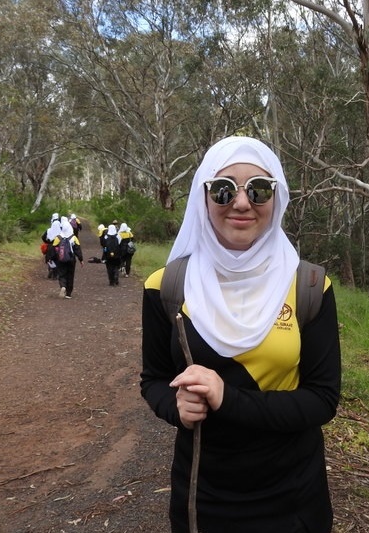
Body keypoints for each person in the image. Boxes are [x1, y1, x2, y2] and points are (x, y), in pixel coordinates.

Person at [140, 136, 341, 533]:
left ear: (277, 198)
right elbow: (154, 381)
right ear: (204, 197)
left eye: (260, 189)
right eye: (223, 190)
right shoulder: (167, 287)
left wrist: (227, 399)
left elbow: (323, 399)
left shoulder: (310, 286)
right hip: (204, 492)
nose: (242, 203)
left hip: (294, 494)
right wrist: (173, 407)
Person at [47, 216, 83, 299]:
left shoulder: (58, 237)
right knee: (70, 275)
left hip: (61, 259)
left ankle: (63, 286)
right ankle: (68, 293)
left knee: (62, 273)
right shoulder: (74, 238)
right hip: (71, 259)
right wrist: (81, 259)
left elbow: (53, 249)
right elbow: (78, 249)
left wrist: (50, 258)